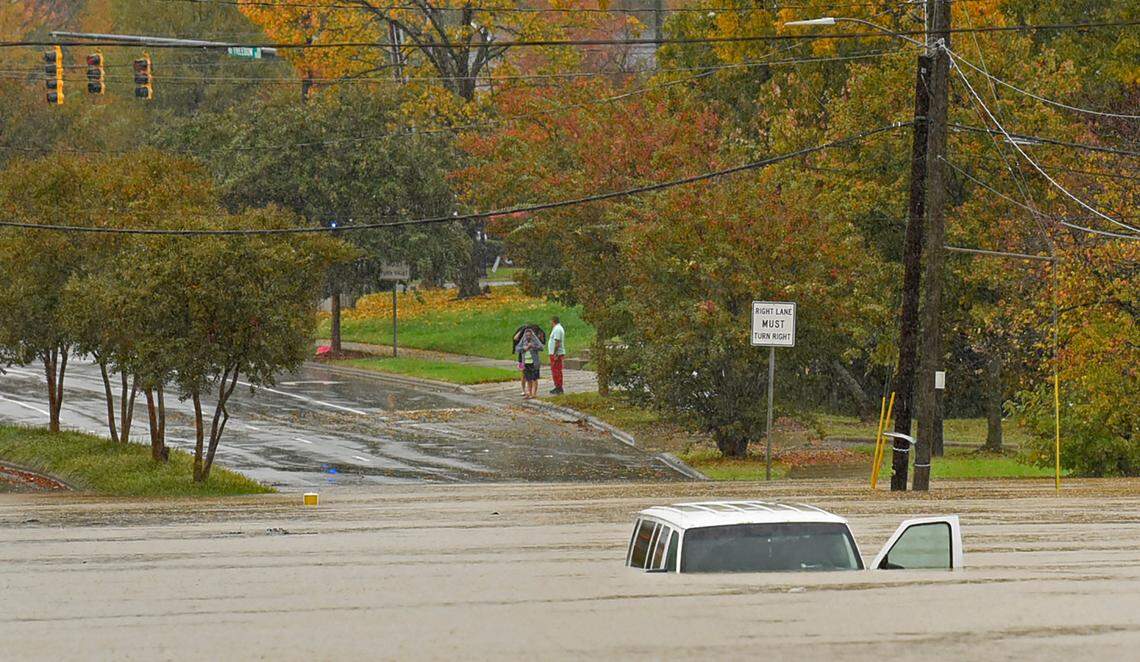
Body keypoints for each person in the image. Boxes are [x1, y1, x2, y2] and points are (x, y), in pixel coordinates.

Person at [515, 327, 543, 399]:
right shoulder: (523, 341)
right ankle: (529, 393)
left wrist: (533, 346)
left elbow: (541, 347)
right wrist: (524, 348)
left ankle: (534, 394)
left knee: (534, 378)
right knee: (528, 379)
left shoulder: (535, 340)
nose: (528, 337)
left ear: (532, 335)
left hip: (534, 363)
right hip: (525, 362)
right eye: (526, 335)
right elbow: (517, 348)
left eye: (529, 335)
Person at [548, 316, 566, 395]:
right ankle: (557, 386)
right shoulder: (556, 328)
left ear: (553, 321)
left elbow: (557, 342)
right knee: (555, 370)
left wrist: (555, 353)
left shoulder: (557, 329)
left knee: (556, 370)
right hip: (554, 353)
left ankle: (559, 387)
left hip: (556, 353)